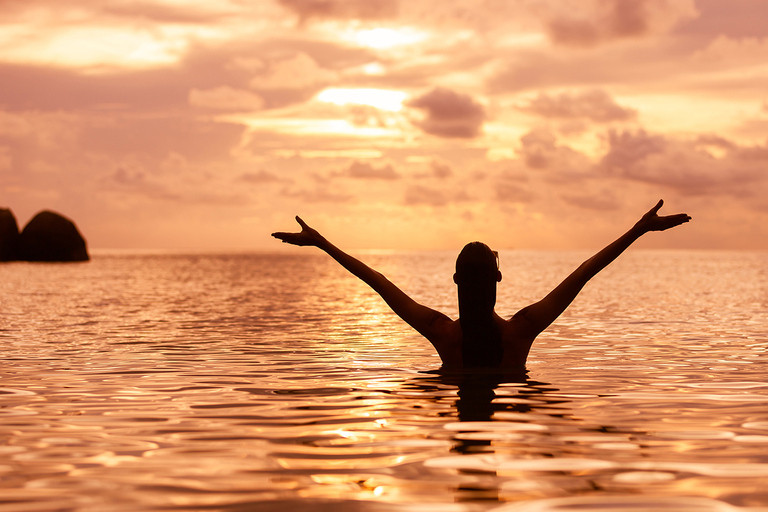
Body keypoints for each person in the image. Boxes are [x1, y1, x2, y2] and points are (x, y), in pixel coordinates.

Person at [272, 200, 691, 369]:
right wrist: (637, 230)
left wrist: (324, 243)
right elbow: (583, 272)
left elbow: (377, 281)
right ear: (498, 278)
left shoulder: (444, 334)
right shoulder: (520, 331)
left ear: (455, 281)